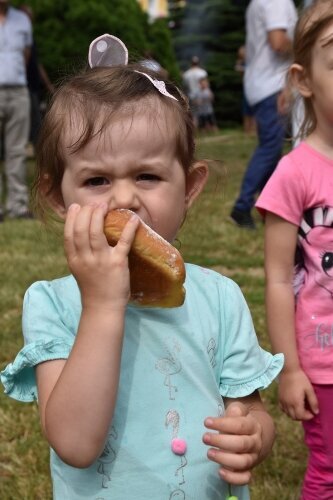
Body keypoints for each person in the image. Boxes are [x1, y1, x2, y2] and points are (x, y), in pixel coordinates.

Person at [0, 34, 283, 500]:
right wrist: (103, 306)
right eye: (96, 180)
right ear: (57, 197)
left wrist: (254, 436)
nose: (126, 198)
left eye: (147, 176)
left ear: (189, 187)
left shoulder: (219, 297)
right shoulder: (51, 303)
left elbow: (248, 412)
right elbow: (74, 443)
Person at [255, 2, 333, 497]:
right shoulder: (295, 172)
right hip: (324, 363)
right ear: (304, 80)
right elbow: (279, 278)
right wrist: (290, 368)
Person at [230, 0, 297, 230]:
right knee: (270, 147)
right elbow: (278, 42)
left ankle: (270, 207)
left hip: (261, 82)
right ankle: (242, 205)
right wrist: (308, 48)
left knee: (273, 148)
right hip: (272, 85)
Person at [0, 0, 33, 221]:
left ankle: (18, 206)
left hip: (18, 91)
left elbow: (26, 55)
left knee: (17, 150)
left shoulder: (22, 19)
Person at [19, 4, 55, 152]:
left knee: (36, 122)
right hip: (20, 87)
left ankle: (40, 152)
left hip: (32, 86)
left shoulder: (30, 39)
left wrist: (48, 85)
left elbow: (37, 64)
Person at [235, 45, 256, 135]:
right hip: (247, 89)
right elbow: (238, 68)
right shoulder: (242, 63)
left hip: (254, 88)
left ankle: (254, 130)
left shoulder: (253, 61)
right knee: (246, 110)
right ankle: (247, 130)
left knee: (254, 109)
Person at [182, 55, 207, 127]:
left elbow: (185, 86)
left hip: (191, 95)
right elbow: (205, 85)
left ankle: (195, 130)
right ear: (198, 63)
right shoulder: (203, 72)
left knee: (194, 114)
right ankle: (204, 129)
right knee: (204, 112)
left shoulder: (186, 74)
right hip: (202, 95)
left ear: (191, 63)